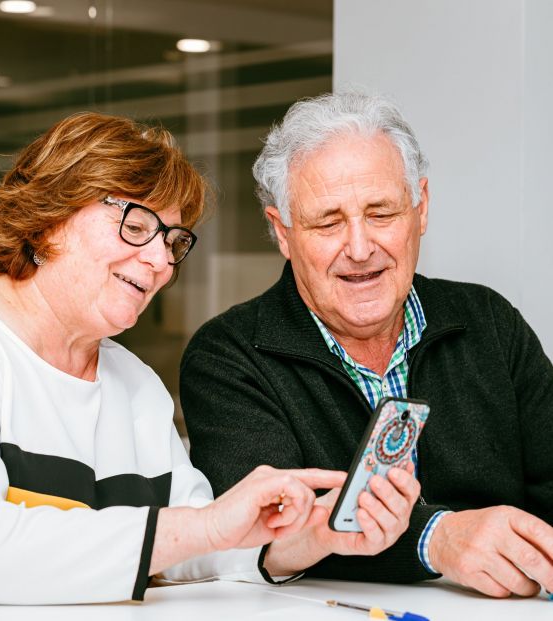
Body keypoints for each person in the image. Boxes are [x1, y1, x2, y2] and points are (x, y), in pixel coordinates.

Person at [0, 111, 420, 609]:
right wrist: (200, 527)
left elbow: (193, 543)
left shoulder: (134, 383)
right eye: (136, 225)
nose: (162, 261)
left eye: (171, 240)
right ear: (49, 217)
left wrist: (310, 536)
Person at [180, 90, 553, 598]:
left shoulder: (490, 322)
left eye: (381, 214)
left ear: (420, 209)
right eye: (328, 222)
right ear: (283, 232)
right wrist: (436, 538)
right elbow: (277, 529)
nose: (359, 248)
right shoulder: (229, 356)